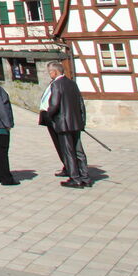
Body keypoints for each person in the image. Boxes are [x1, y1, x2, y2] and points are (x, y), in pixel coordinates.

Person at [40, 60, 90, 188]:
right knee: (79, 151)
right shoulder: (72, 83)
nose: (49, 74)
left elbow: (54, 104)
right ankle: (85, 177)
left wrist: (49, 115)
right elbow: (80, 104)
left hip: (62, 123)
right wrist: (82, 121)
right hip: (75, 122)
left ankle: (75, 178)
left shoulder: (56, 85)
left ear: (54, 72)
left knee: (68, 151)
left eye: (50, 72)